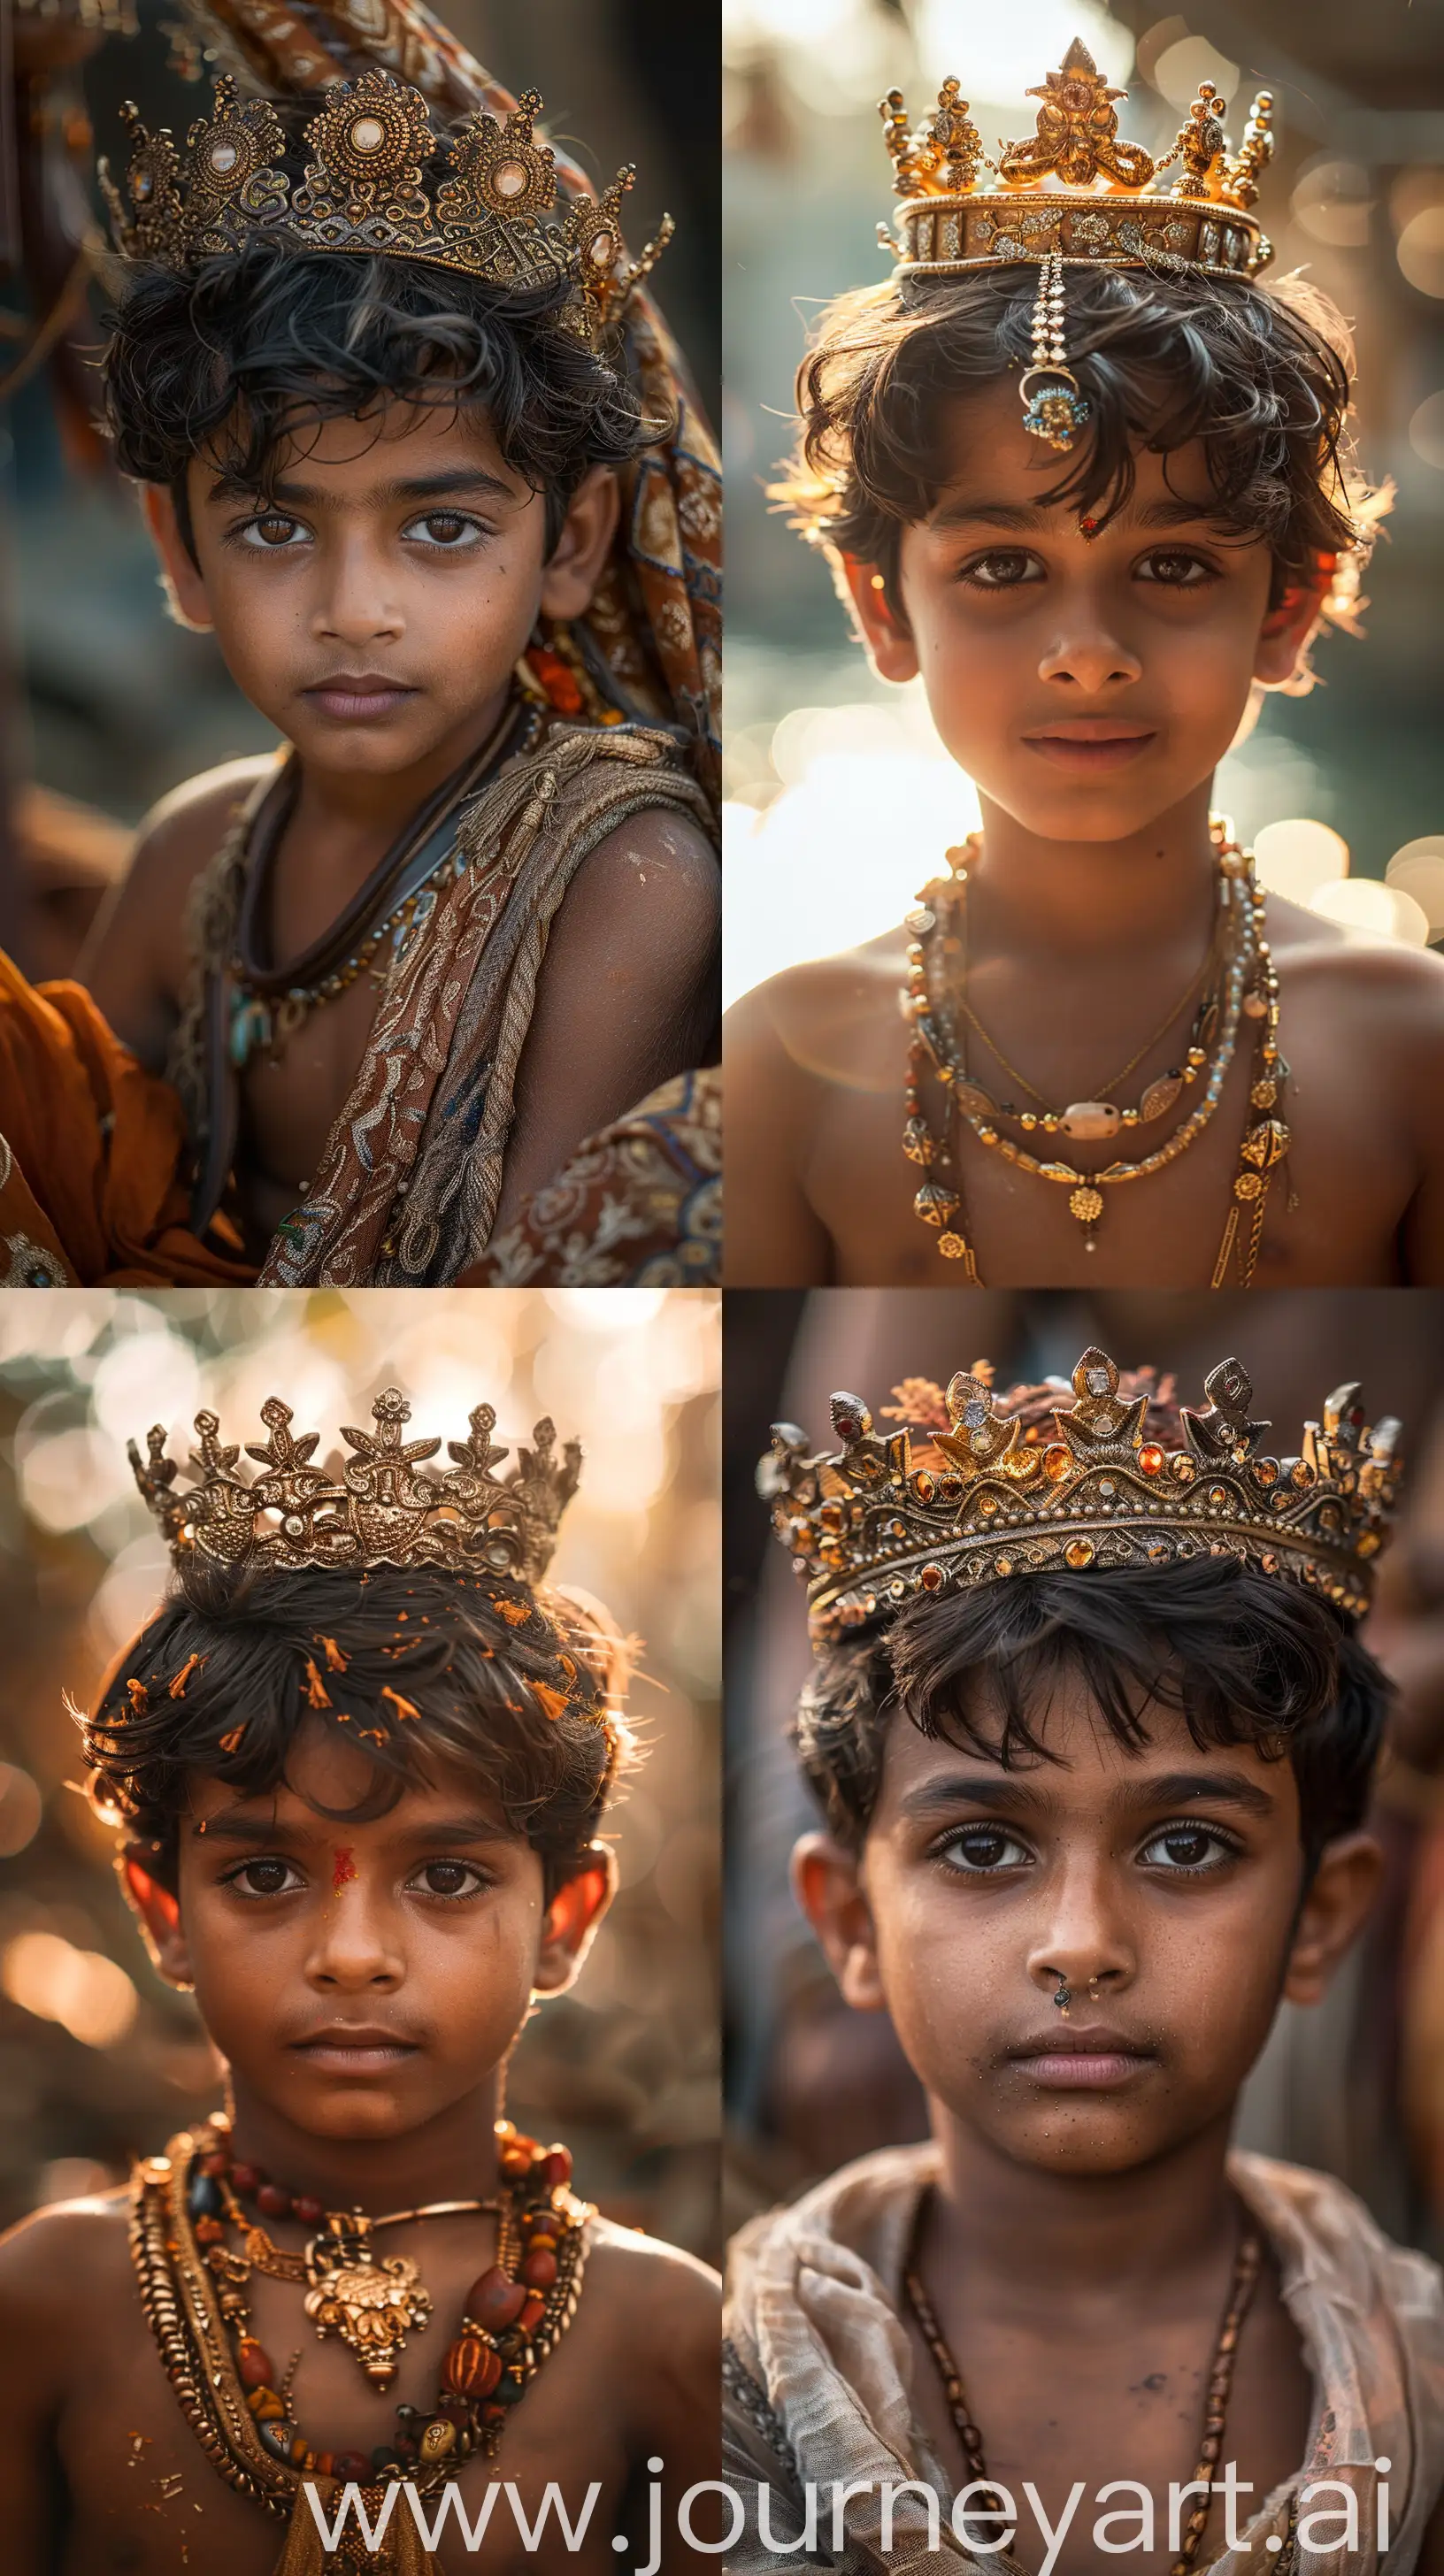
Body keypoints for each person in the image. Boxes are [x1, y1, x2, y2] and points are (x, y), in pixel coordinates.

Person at [0, 25, 720, 1289]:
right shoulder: (192, 855)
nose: (355, 609)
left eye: (441, 529)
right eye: (275, 527)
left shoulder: (626, 879)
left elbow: (524, 1296)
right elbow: (52, 1170)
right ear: (178, 550)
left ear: (573, 542)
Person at [724, 43, 1444, 1290]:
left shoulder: (1411, 1046)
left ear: (1289, 607)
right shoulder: (788, 1062)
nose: (1089, 659)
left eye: (1173, 571)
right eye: (1003, 570)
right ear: (882, 607)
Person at [724, 1345, 1444, 2572]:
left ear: (1320, 1918)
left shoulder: (1423, 2370)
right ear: (846, 1922)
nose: (1082, 1947)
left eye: (1184, 1844)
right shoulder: (717, 2372)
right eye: (985, 1847)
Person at [0, 1384, 720, 2573]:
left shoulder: (669, 2338)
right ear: (163, 1914)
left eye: (443, 1877)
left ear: (566, 1921)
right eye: (268, 1876)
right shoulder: (47, 2307)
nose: (349, 1952)